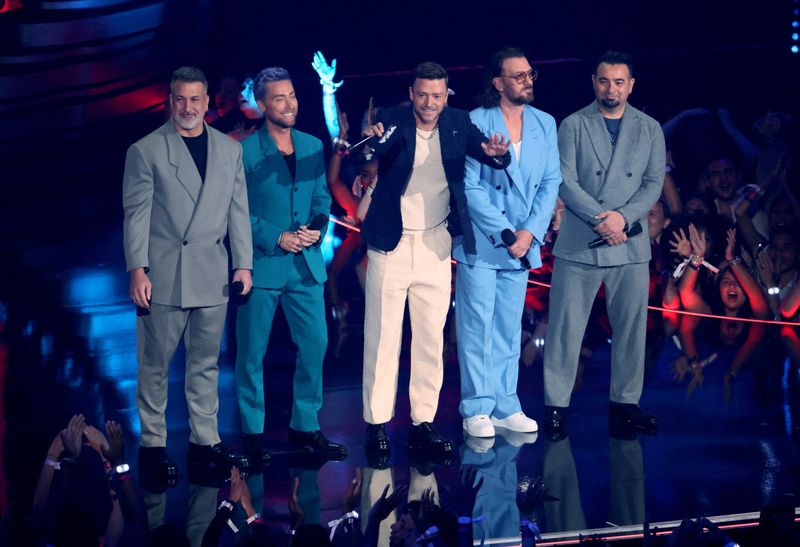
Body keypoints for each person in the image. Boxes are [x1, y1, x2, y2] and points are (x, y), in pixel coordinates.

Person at [359, 62, 511, 454]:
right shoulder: (392, 119)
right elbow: (372, 149)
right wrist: (369, 140)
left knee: (430, 340)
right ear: (412, 93)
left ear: (447, 96)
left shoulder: (459, 122)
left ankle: (422, 423)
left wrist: (497, 155)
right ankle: (377, 425)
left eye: (437, 95)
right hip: (391, 245)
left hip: (435, 245)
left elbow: (490, 152)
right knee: (382, 338)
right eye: (422, 94)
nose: (429, 103)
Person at [122, 66, 253, 480]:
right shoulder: (146, 150)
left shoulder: (229, 150)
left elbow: (238, 211)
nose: (187, 107)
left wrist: (243, 264)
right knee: (155, 365)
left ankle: (205, 442)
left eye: (195, 99)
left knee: (206, 364)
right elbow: (136, 216)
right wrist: (137, 270)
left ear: (208, 101)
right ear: (170, 101)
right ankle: (154, 445)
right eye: (180, 99)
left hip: (213, 272)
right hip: (164, 274)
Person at [542, 51, 665, 435]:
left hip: (628, 243)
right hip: (581, 241)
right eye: (604, 81)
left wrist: (623, 219)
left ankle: (625, 404)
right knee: (565, 329)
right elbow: (565, 181)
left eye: (619, 82)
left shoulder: (649, 128)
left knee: (631, 329)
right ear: (593, 82)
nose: (611, 89)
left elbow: (652, 184)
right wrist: (603, 220)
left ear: (631, 85)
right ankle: (556, 407)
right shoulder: (573, 125)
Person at [235, 66, 347, 465]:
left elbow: (322, 200)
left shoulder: (313, 145)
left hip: (305, 265)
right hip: (262, 265)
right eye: (279, 98)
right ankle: (252, 434)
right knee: (252, 353)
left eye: (293, 95)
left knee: (315, 344)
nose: (289, 104)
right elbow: (235, 212)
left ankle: (305, 425)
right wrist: (274, 235)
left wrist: (315, 229)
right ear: (262, 104)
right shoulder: (244, 152)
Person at [453, 47, 561, 439]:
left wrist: (529, 232)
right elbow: (469, 185)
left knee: (508, 326)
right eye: (517, 75)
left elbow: (551, 182)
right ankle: (477, 407)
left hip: (523, 241)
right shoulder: (474, 121)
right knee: (477, 325)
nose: (527, 80)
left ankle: (506, 403)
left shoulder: (544, 123)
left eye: (530, 73)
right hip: (485, 239)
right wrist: (506, 232)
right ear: (497, 82)